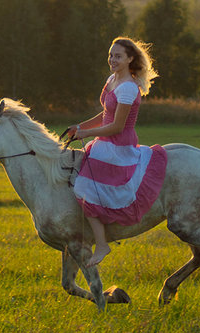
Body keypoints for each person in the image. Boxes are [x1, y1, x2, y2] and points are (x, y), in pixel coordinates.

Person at [65, 37, 168, 268]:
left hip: (119, 147)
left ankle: (102, 243)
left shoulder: (129, 88)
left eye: (118, 56)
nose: (112, 60)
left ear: (130, 59)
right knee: (78, 180)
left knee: (83, 187)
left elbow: (117, 126)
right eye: (111, 55)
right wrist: (81, 127)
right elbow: (104, 115)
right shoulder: (111, 80)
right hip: (104, 142)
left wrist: (87, 135)